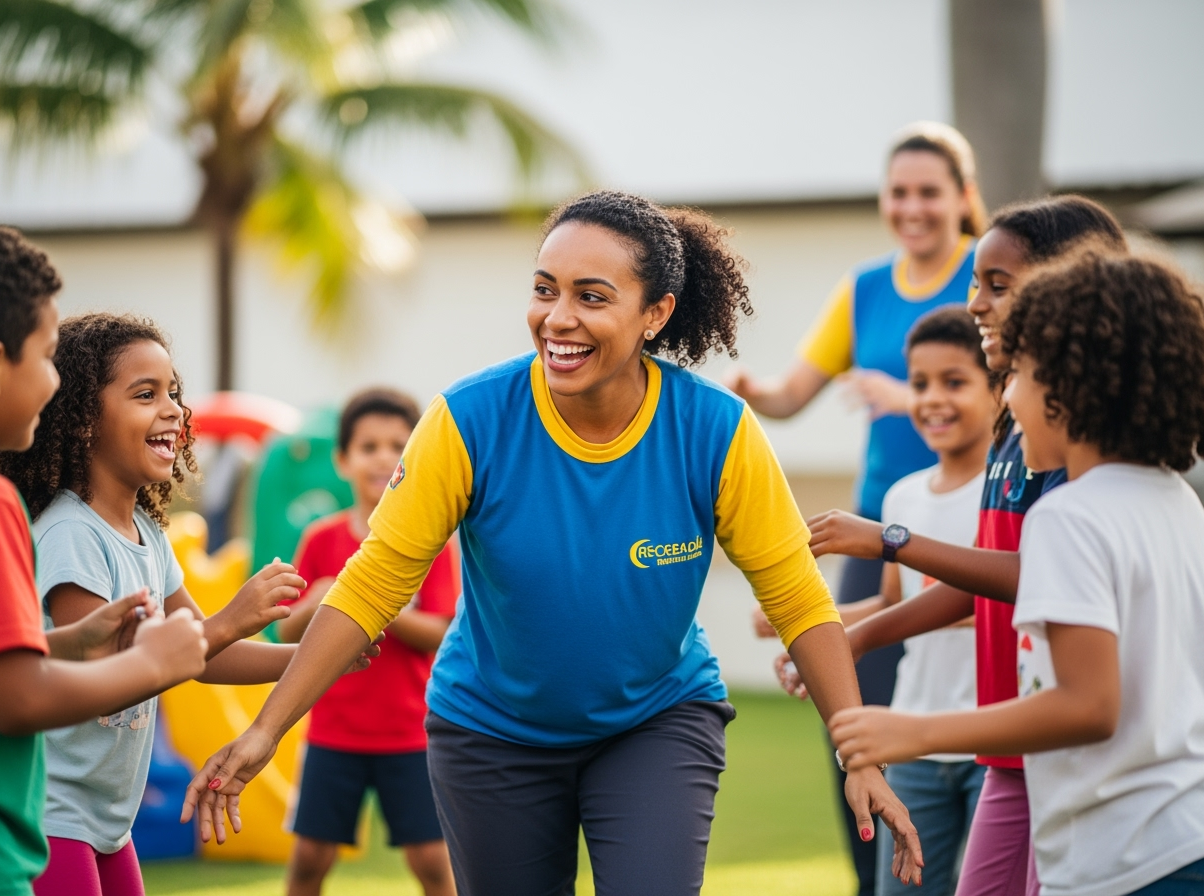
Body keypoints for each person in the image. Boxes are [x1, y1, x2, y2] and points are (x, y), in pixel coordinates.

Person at [181, 190, 924, 895]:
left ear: (655, 313)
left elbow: (796, 597)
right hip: (489, 730)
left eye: (591, 297)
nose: (557, 319)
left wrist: (855, 750)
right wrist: (267, 730)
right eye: (545, 290)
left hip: (655, 720)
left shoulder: (716, 433)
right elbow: (375, 582)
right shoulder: (468, 420)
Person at [831, 249, 1204, 896]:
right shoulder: (1176, 502)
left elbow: (1088, 706)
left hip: (1127, 860)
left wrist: (915, 730)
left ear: (1068, 388)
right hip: (1189, 835)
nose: (1006, 393)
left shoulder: (1068, 518)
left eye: (1019, 374)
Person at [799, 195, 1128, 896]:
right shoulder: (1021, 431)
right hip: (1004, 753)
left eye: (997, 286)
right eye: (977, 283)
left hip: (1050, 750)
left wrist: (891, 543)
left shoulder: (1079, 442)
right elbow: (989, 576)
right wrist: (856, 636)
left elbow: (1032, 576)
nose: (977, 302)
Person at [0, 312, 378, 896]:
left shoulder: (148, 532)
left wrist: (315, 653)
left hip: (109, 823)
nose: (173, 408)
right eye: (146, 394)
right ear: (83, 423)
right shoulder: (71, 534)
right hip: (52, 815)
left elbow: (204, 656)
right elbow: (107, 667)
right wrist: (233, 619)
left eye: (173, 392)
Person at [726, 121, 985, 893]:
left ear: (963, 198)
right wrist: (751, 394)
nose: (912, 207)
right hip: (879, 529)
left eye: (929, 192)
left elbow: (1009, 387)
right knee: (855, 726)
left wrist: (906, 399)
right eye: (898, 192)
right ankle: (875, 878)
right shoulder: (865, 286)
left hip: (968, 524)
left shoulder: (989, 272)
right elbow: (793, 393)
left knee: (956, 711)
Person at [0, 224, 209, 896]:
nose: (56, 383)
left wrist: (61, 642)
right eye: (48, 357)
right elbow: (14, 699)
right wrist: (149, 662)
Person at [770, 305, 995, 895]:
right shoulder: (901, 496)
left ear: (998, 386)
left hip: (989, 741)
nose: (931, 400)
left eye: (954, 382)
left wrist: (856, 625)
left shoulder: (1004, 487)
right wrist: (809, 624)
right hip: (913, 737)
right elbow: (902, 605)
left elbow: (986, 596)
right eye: (919, 384)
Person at [277, 388, 459, 896]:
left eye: (398, 445)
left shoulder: (432, 541)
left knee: (432, 862)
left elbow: (443, 632)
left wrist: (380, 602)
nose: (383, 457)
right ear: (342, 460)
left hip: (410, 734)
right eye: (368, 446)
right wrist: (322, 598)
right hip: (333, 733)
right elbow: (287, 631)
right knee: (310, 859)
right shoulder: (320, 539)